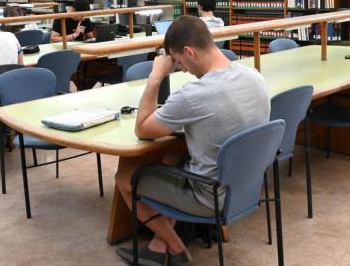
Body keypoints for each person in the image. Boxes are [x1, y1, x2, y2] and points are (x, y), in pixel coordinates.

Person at [114, 15, 270, 266]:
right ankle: (158, 245)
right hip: (246, 186)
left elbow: (142, 129)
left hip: (209, 196)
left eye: (178, 61)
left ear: (189, 52)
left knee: (125, 177)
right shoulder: (254, 75)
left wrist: (155, 76)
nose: (182, 69)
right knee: (174, 157)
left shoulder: (193, 95)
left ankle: (177, 250)